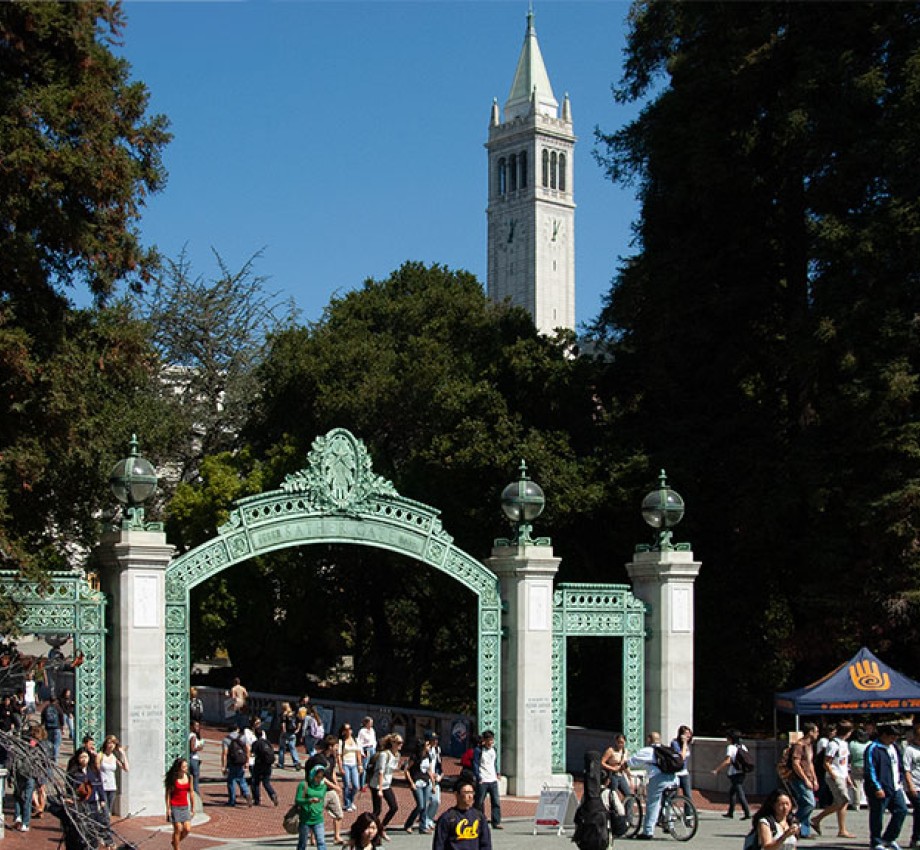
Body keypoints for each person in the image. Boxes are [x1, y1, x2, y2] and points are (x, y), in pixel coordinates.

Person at [865, 723, 909, 850]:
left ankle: (889, 838)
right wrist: (877, 787)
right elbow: (870, 769)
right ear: (884, 735)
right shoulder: (873, 748)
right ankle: (876, 841)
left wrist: (900, 779)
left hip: (895, 786)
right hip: (880, 788)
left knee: (901, 810)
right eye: (892, 737)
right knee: (877, 815)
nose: (894, 739)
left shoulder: (894, 747)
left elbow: (899, 765)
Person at [629, 731, 678, 841]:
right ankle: (669, 824)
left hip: (658, 778)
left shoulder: (648, 751)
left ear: (649, 739)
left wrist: (624, 764)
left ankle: (648, 831)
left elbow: (632, 761)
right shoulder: (668, 750)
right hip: (674, 778)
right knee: (668, 802)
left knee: (653, 804)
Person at [811, 720, 855, 838]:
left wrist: (847, 777)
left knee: (841, 802)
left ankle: (842, 829)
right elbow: (827, 762)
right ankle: (817, 818)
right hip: (835, 775)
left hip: (842, 774)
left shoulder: (844, 744)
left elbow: (844, 763)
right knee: (844, 800)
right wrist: (834, 775)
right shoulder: (833, 744)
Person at [432, 778, 492, 850]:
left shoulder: (479, 817)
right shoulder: (448, 818)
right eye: (466, 793)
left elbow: (486, 844)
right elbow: (439, 845)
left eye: (471, 792)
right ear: (457, 794)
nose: (470, 796)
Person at [307, 734, 346, 844]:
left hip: (331, 791)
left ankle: (337, 837)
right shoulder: (319, 759)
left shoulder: (332, 758)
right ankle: (313, 838)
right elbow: (321, 778)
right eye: (336, 746)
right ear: (330, 747)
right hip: (320, 790)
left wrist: (337, 785)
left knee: (339, 814)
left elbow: (332, 772)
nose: (337, 748)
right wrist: (334, 786)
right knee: (317, 815)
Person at [788, 722, 820, 840]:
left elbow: (810, 763)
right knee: (810, 803)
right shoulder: (799, 745)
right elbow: (796, 764)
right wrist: (805, 779)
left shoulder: (809, 746)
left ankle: (804, 831)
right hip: (798, 779)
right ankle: (792, 821)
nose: (818, 734)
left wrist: (814, 779)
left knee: (804, 803)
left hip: (808, 778)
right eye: (816, 731)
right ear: (810, 732)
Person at [370, 733, 403, 840]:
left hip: (387, 784)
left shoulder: (397, 755)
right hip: (376, 785)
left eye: (401, 743)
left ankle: (381, 828)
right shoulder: (384, 754)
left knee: (394, 807)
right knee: (377, 810)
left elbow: (392, 770)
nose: (400, 745)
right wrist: (379, 789)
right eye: (398, 743)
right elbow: (380, 772)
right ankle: (367, 827)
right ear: (392, 743)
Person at [712, 729, 752, 819]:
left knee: (739, 792)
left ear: (730, 738)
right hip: (742, 772)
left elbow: (728, 761)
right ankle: (730, 812)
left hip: (734, 773)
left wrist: (717, 769)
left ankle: (747, 812)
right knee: (732, 792)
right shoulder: (742, 747)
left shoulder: (731, 748)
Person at [296, 765, 331, 850]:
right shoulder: (303, 785)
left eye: (321, 777)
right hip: (305, 819)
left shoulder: (323, 786)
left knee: (321, 842)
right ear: (312, 775)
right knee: (302, 843)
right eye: (317, 777)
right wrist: (309, 800)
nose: (319, 779)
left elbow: (322, 798)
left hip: (318, 818)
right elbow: (298, 800)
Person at [473, 730, 502, 829]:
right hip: (483, 779)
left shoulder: (494, 750)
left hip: (492, 779)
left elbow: (494, 762)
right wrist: (478, 776)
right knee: (479, 801)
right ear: (484, 740)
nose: (490, 742)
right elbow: (476, 764)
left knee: (496, 802)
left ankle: (496, 821)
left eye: (492, 740)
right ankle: (479, 820)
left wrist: (497, 772)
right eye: (488, 740)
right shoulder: (479, 750)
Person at [165, 756, 195, 850]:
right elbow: (168, 793)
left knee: (187, 829)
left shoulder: (189, 777)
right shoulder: (173, 778)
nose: (186, 769)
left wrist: (193, 808)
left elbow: (191, 792)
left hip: (184, 806)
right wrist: (168, 808)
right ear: (179, 768)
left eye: (186, 766)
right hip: (175, 806)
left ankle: (175, 842)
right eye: (184, 767)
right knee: (178, 828)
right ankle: (177, 848)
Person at [403, 737, 432, 834]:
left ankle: (423, 827)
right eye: (427, 745)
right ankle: (408, 824)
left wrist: (433, 782)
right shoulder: (414, 756)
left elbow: (429, 770)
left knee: (425, 805)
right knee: (420, 805)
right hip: (417, 782)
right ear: (423, 746)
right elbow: (406, 770)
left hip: (426, 782)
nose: (429, 746)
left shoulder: (428, 755)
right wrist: (411, 783)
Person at [221, 724, 253, 806]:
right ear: (237, 729)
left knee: (231, 781)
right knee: (242, 780)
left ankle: (232, 800)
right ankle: (247, 793)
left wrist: (223, 766)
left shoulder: (226, 739)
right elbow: (248, 749)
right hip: (241, 761)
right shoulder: (242, 737)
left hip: (232, 762)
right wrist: (247, 761)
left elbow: (225, 753)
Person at [98, 734, 129, 812]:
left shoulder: (114, 757)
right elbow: (96, 770)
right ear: (106, 744)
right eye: (109, 743)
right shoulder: (101, 755)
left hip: (112, 786)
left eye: (113, 743)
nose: (111, 745)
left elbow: (126, 768)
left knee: (108, 811)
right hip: (102, 786)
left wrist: (123, 754)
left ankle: (106, 824)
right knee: (104, 810)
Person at [250, 724, 279, 806]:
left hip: (259, 764)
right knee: (266, 782)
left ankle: (257, 799)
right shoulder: (267, 742)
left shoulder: (256, 743)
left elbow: (252, 753)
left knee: (255, 782)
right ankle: (272, 794)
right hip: (268, 765)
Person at [337, 722, 363, 812]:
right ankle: (347, 803)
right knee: (347, 784)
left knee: (356, 785)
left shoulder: (356, 740)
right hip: (345, 764)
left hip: (354, 764)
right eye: (346, 729)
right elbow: (339, 755)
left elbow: (358, 753)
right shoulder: (341, 742)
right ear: (343, 731)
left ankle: (351, 800)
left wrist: (360, 765)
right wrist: (340, 767)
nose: (349, 731)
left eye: (350, 729)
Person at [902, 720, 920, 849]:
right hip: (914, 785)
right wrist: (910, 785)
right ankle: (916, 838)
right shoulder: (909, 750)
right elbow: (906, 769)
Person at [601, 733, 632, 798]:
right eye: (619, 742)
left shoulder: (625, 751)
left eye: (622, 742)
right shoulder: (611, 750)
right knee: (612, 795)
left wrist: (629, 776)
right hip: (612, 775)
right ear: (616, 742)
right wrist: (612, 768)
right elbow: (602, 762)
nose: (620, 744)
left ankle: (626, 807)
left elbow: (626, 765)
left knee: (629, 795)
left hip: (621, 775)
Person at [426, 731, 443, 830]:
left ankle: (430, 819)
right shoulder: (425, 750)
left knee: (436, 800)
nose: (435, 741)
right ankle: (425, 821)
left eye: (436, 739)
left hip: (435, 778)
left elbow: (439, 764)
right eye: (433, 740)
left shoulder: (437, 750)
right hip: (426, 777)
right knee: (427, 801)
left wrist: (440, 774)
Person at [671, 725, 693, 799]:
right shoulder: (675, 743)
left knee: (688, 795)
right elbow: (682, 757)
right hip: (676, 773)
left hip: (684, 772)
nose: (688, 736)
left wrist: (685, 744)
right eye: (686, 734)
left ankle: (688, 810)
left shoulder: (686, 744)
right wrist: (684, 744)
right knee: (673, 795)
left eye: (689, 734)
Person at [280, 702, 303, 770]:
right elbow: (299, 722)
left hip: (286, 732)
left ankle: (281, 763)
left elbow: (283, 724)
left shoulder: (284, 714)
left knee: (282, 748)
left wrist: (283, 731)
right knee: (292, 748)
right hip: (293, 733)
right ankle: (296, 762)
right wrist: (298, 729)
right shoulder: (295, 714)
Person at [41, 695, 64, 761]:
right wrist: (62, 726)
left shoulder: (46, 708)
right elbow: (61, 717)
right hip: (57, 728)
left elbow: (42, 716)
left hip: (48, 728)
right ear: (56, 700)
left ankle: (49, 759)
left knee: (49, 744)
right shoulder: (57, 707)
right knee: (56, 745)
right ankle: (55, 760)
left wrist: (42, 724)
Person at [357, 716, 377, 789]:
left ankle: (369, 782)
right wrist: (362, 752)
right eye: (370, 723)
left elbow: (374, 739)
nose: (371, 724)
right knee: (364, 766)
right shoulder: (362, 731)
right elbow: (359, 742)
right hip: (366, 748)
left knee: (372, 766)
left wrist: (374, 747)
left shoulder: (372, 730)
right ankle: (361, 784)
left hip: (372, 748)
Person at [188, 720, 205, 798]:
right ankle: (196, 795)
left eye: (198, 726)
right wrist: (199, 748)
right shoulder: (193, 736)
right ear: (191, 726)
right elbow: (192, 748)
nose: (197, 728)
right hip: (193, 758)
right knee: (195, 778)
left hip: (191, 758)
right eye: (196, 726)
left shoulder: (189, 735)